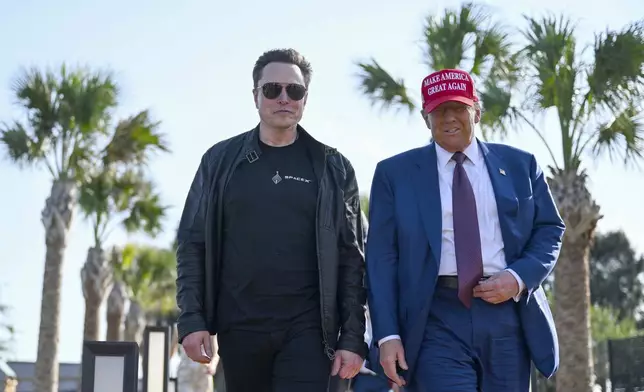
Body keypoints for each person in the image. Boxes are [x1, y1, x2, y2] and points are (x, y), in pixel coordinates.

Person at [175, 48, 367, 392]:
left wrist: (353, 337)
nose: (283, 98)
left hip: (309, 331)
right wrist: (191, 320)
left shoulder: (333, 168)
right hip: (239, 328)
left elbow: (353, 257)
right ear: (255, 96)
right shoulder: (219, 162)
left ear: (305, 99)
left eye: (294, 91)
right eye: (272, 89)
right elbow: (192, 244)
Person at [365, 68, 565, 391]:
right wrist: (387, 334)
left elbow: (550, 229)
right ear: (424, 117)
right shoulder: (394, 174)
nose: (448, 118)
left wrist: (516, 279)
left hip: (507, 315)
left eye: (458, 108)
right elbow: (380, 259)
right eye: (438, 110)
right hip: (434, 318)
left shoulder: (520, 165)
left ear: (477, 111)